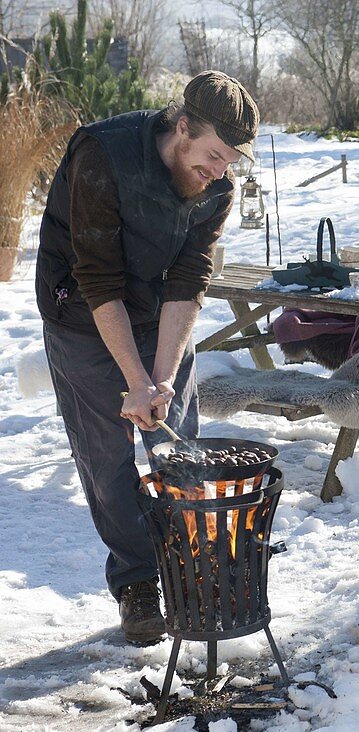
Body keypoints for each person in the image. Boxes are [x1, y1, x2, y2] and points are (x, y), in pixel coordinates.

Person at [35, 71, 258, 645]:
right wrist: (132, 382)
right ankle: (137, 584)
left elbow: (189, 278)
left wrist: (159, 379)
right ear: (181, 128)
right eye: (211, 156)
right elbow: (97, 276)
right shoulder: (101, 154)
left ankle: (192, 572)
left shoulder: (217, 186)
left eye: (229, 162)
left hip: (158, 314)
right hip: (82, 313)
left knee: (178, 447)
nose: (218, 171)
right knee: (108, 460)